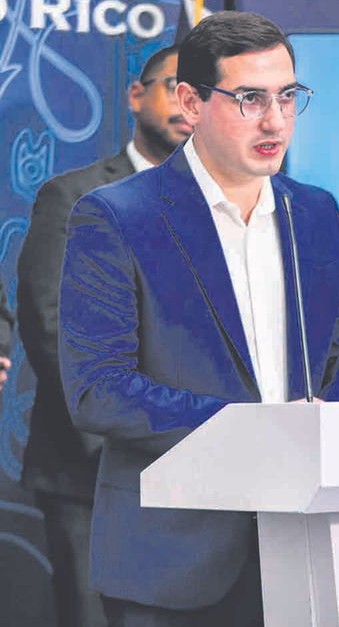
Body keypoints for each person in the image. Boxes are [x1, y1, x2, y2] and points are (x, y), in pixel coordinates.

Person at [57, 11, 339, 626]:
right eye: (250, 99)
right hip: (171, 562)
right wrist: (262, 430)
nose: (275, 120)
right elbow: (99, 391)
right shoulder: (116, 216)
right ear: (190, 101)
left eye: (287, 96)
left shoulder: (315, 212)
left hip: (306, 547)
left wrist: (328, 427)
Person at [16, 43, 189, 627]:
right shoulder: (75, 196)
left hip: (202, 470)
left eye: (201, 93)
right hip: (92, 469)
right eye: (174, 86)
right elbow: (49, 322)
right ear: (137, 96)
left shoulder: (231, 209)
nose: (187, 103)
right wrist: (119, 433)